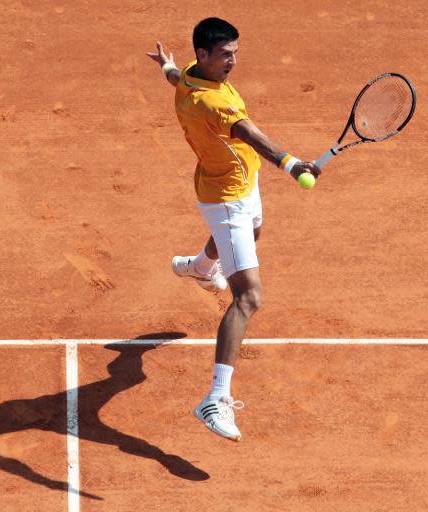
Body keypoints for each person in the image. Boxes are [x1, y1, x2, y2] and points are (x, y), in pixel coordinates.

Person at [146, 17, 320, 441]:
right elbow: (252, 134)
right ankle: (215, 398)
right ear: (204, 54)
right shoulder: (214, 105)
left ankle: (203, 267)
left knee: (254, 231)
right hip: (227, 198)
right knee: (248, 296)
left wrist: (167, 67)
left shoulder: (189, 75)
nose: (232, 62)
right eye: (226, 55)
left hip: (239, 181)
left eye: (235, 53)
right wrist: (294, 165)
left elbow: (176, 79)